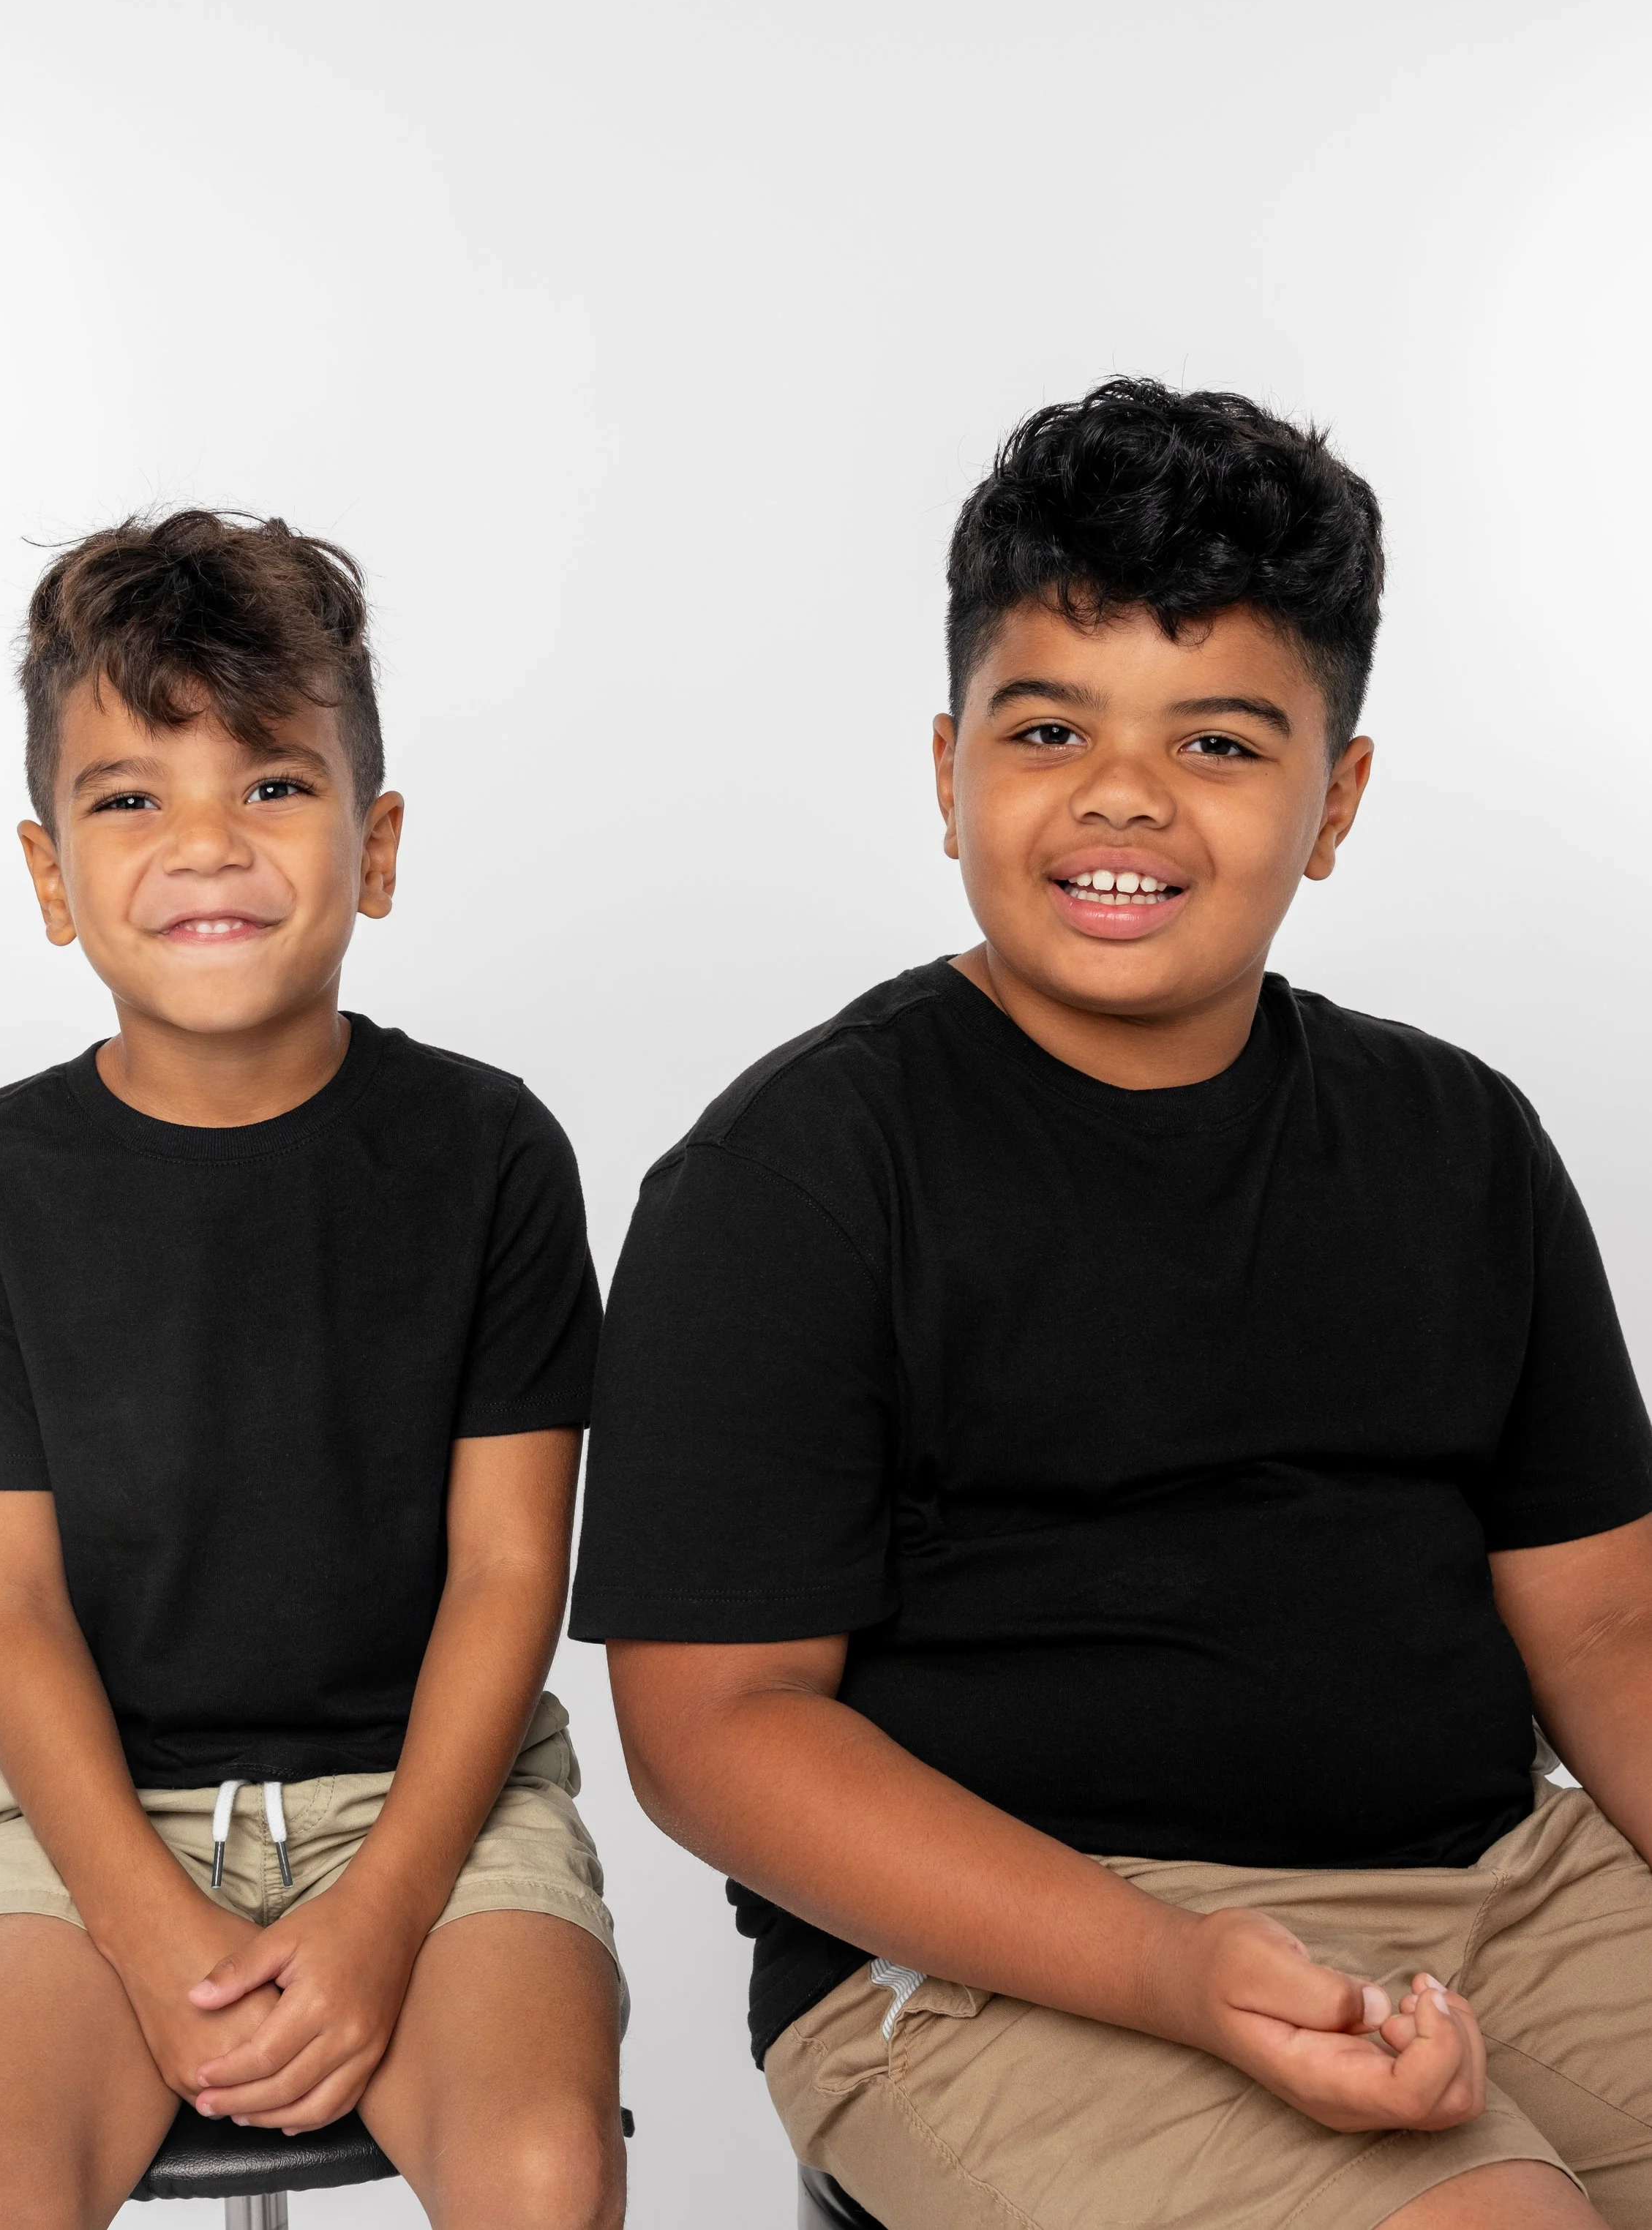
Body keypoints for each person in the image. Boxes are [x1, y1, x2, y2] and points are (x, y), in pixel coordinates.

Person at [571, 380, 1652, 2230]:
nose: (1123, 795)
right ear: (946, 770)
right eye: (1048, 724)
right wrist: (1173, 1963)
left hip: (1498, 1886)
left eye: (1221, 740)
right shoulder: (794, 1177)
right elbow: (715, 1728)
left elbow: (1608, 1625)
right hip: (1008, 1957)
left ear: (1336, 798)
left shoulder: (1454, 1137)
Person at [0, 511, 626, 2230]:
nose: (204, 846)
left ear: (374, 843)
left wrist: (381, 1909)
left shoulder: (490, 1149)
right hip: (92, 1816)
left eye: (271, 787)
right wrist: (144, 1927)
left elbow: (513, 1567)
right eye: (130, 797)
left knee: (541, 2169)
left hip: (432, 1796)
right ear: (49, 871)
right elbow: (5, 1606)